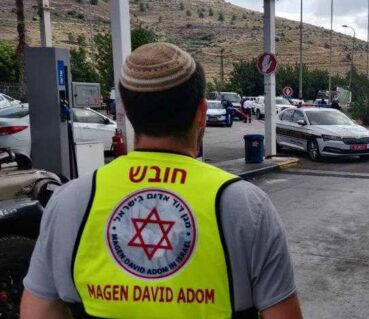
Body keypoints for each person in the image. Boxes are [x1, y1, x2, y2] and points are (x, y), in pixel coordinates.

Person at [20, 43, 302, 319]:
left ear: (128, 113)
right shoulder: (245, 205)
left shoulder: (69, 201)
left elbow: (39, 310)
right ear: (202, 113)